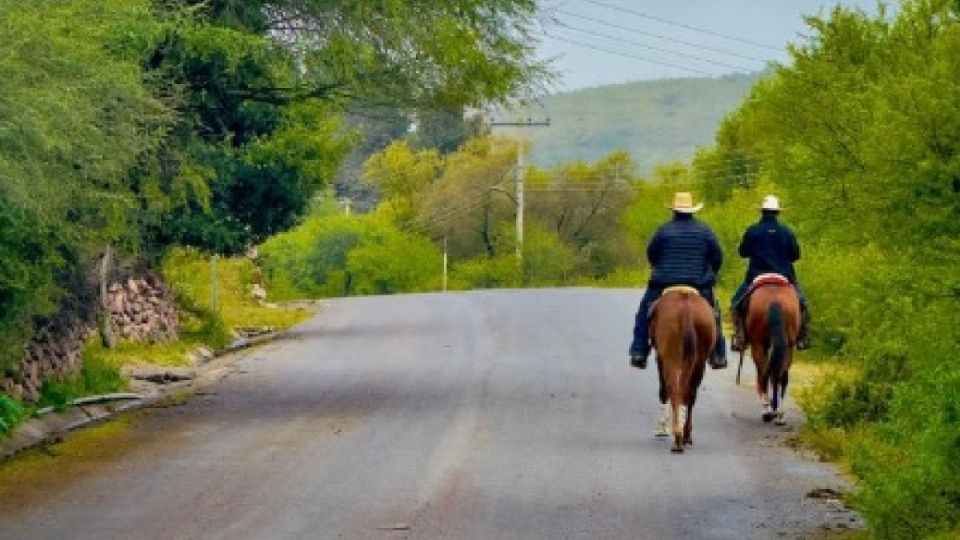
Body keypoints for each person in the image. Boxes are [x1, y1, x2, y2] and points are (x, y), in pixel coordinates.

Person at [629, 192, 727, 370]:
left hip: (664, 283)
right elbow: (717, 257)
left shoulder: (664, 230)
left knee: (644, 312)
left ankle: (639, 351)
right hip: (698, 284)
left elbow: (652, 254)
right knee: (715, 315)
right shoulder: (705, 231)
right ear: (692, 211)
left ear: (674, 211)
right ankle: (719, 354)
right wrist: (710, 274)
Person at [730, 194, 810, 351]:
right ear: (777, 212)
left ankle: (740, 337)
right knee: (803, 304)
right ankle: (802, 337)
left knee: (735, 303)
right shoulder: (786, 232)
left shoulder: (753, 230)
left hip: (756, 276)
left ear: (762, 211)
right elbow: (796, 255)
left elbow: (743, 252)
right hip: (784, 276)